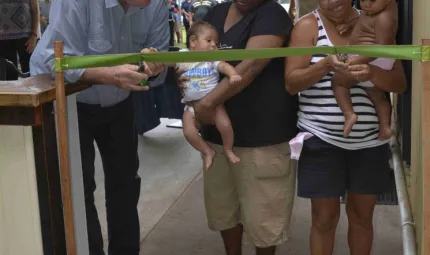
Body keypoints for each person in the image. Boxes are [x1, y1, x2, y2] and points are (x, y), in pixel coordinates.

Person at [29, 0, 169, 254]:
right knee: (78, 188)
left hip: (121, 100)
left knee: (125, 183)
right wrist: (110, 74)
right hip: (70, 100)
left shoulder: (156, 4)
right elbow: (57, 59)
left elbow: (158, 56)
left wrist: (153, 67)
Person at [284, 0, 407, 254]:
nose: (331, 1)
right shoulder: (307, 26)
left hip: (370, 141)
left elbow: (400, 83)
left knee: (362, 217)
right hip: (321, 137)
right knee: (323, 219)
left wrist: (371, 73)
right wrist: (324, 66)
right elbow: (291, 83)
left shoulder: (374, 21)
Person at [181, 0, 298, 254]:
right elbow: (195, 56)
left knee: (264, 222)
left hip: (262, 139)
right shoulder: (216, 13)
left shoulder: (272, 14)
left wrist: (206, 104)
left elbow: (252, 65)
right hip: (217, 138)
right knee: (224, 211)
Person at [169, 21, 242, 169]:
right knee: (189, 132)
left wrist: (233, 74)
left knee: (226, 126)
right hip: (190, 105)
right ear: (193, 41)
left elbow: (223, 66)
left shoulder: (211, 58)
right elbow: (164, 61)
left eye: (216, 42)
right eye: (209, 40)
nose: (214, 45)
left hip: (215, 103)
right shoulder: (181, 56)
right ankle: (207, 151)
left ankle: (228, 149)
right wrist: (153, 56)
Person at [332, 0, 398, 139]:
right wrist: (349, 25)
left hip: (373, 59)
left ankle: (349, 114)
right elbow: (363, 22)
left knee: (338, 82)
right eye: (362, 0)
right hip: (374, 60)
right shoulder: (375, 10)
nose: (366, 5)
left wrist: (358, 60)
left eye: (372, 0)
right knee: (377, 96)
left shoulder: (384, 17)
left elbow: (382, 48)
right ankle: (385, 127)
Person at [0, 0, 39, 81]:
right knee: (9, 78)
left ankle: (30, 93)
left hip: (26, 38)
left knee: (30, 74)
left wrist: (34, 35)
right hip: (3, 38)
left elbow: (35, 10)